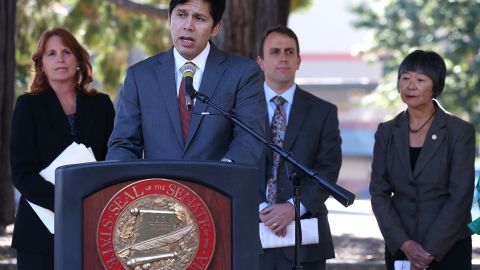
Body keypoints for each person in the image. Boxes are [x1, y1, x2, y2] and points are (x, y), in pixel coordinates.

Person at [106, 0, 265, 164]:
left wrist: (222, 176)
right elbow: (124, 145)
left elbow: (249, 140)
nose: (188, 26)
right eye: (181, 15)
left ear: (216, 27)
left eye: (199, 18)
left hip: (215, 186)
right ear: (169, 19)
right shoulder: (140, 76)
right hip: (157, 188)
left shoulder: (243, 73)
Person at [9, 28, 115, 269]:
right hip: (39, 230)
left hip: (92, 226)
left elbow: (113, 162)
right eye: (51, 53)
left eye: (66, 51)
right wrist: (67, 201)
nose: (60, 58)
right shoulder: (27, 106)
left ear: (78, 60)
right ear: (41, 65)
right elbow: (22, 173)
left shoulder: (101, 105)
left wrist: (90, 203)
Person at [370, 50, 475, 270]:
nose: (410, 86)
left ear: (435, 86)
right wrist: (406, 244)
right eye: (405, 78)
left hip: (449, 247)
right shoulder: (386, 132)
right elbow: (379, 193)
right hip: (400, 247)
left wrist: (428, 251)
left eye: (420, 80)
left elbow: (460, 196)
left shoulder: (459, 131)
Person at [256, 25, 342, 270]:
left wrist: (294, 207)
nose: (283, 57)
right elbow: (233, 164)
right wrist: (261, 208)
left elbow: (329, 168)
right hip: (250, 235)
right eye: (274, 52)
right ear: (261, 61)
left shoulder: (323, 112)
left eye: (289, 51)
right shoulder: (240, 109)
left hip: (305, 238)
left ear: (298, 60)